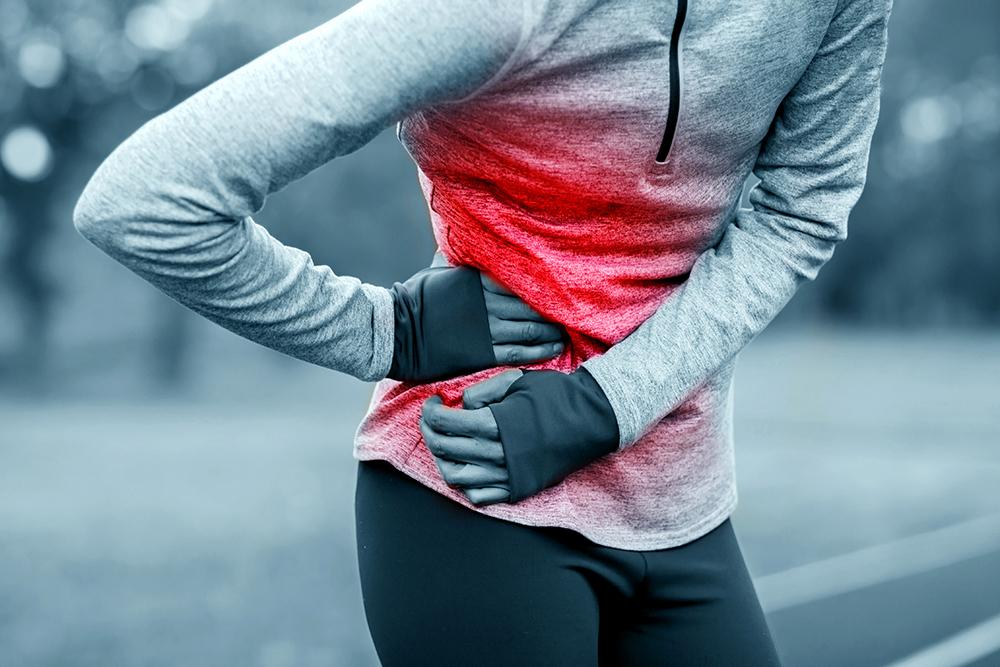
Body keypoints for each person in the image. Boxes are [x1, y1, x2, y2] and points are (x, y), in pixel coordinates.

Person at [73, 0, 894, 664]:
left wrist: (605, 403)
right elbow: (145, 200)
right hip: (470, 489)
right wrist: (388, 330)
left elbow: (801, 207)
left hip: (684, 499)